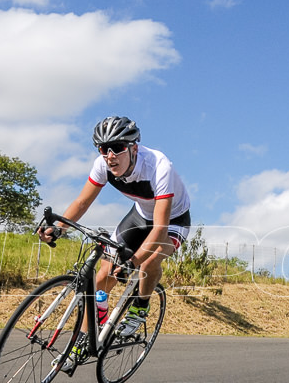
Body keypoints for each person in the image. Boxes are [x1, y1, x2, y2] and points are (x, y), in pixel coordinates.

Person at [38, 116, 191, 367]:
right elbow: (82, 202)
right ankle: (85, 340)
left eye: (117, 148)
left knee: (147, 262)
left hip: (173, 219)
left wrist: (134, 260)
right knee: (102, 276)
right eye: (103, 148)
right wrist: (58, 227)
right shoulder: (102, 165)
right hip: (140, 215)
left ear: (133, 148)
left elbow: (161, 228)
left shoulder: (158, 166)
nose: (110, 156)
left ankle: (140, 307)